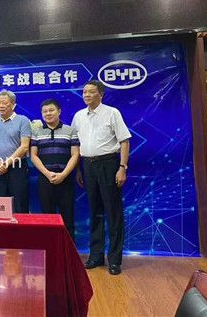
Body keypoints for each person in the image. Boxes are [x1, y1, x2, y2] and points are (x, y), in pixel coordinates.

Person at [72, 80, 131, 275]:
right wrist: (78, 170)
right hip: (87, 166)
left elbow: (124, 141)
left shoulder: (112, 113)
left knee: (113, 213)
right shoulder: (79, 116)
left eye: (91, 92)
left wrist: (122, 168)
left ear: (101, 94)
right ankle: (96, 256)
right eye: (84, 92)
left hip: (108, 164)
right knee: (95, 212)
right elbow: (75, 145)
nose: (86, 95)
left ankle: (114, 260)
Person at [30, 99, 79, 239]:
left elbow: (75, 155)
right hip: (45, 179)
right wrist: (47, 173)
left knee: (68, 217)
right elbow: (33, 156)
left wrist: (63, 175)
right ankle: (50, 248)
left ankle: (69, 250)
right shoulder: (36, 132)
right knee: (47, 217)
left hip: (66, 179)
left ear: (59, 111)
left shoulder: (70, 130)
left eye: (51, 110)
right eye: (44, 111)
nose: (48, 114)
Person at [0, 89, 31, 213]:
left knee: (19, 204)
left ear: (13, 105)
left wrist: (6, 164)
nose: (1, 106)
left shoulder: (23, 120)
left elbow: (24, 146)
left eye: (5, 103)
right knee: (0, 206)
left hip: (17, 168)